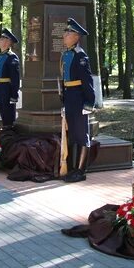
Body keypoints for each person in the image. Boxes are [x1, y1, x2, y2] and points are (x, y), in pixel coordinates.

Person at [60, 18, 96, 182]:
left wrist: (89, 103)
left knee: (82, 135)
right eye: (65, 32)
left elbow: (87, 82)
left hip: (80, 100)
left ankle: (81, 170)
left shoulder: (80, 56)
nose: (65, 35)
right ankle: (73, 168)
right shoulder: (66, 55)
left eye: (68, 32)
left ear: (76, 37)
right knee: (73, 135)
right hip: (69, 100)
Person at [0, 28, 20, 127]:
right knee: (1, 114)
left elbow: (15, 78)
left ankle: (9, 136)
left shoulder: (12, 57)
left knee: (8, 115)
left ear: (7, 42)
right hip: (0, 89)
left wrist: (14, 95)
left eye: (1, 39)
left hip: (7, 90)